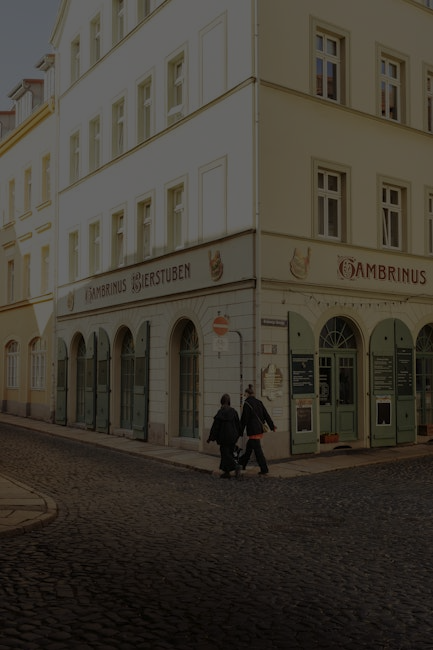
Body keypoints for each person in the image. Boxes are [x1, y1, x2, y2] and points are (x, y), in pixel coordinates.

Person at [239, 384, 276, 475]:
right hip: (259, 429)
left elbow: (244, 419)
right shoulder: (259, 402)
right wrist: (272, 426)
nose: (244, 395)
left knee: (258, 451)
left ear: (247, 394)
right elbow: (266, 415)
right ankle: (242, 463)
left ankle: (264, 469)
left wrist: (240, 431)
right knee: (249, 448)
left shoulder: (247, 404)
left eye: (245, 394)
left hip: (253, 430)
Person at [207, 393, 242, 479]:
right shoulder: (234, 412)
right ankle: (226, 472)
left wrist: (211, 437)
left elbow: (215, 427)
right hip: (233, 436)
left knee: (225, 454)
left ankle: (236, 466)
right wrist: (238, 434)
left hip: (224, 437)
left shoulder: (220, 412)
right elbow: (238, 424)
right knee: (229, 453)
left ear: (221, 402)